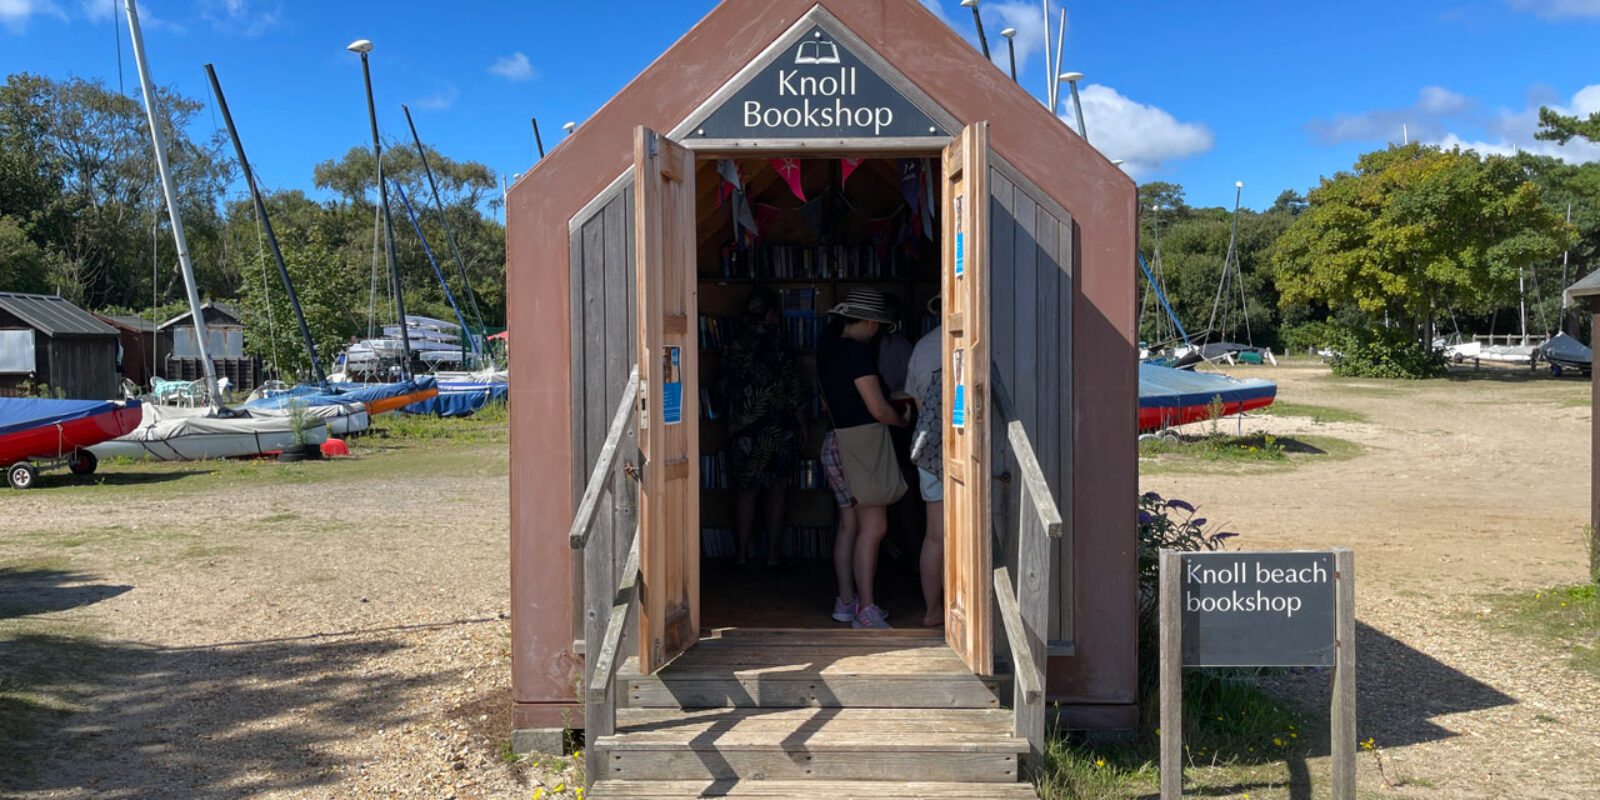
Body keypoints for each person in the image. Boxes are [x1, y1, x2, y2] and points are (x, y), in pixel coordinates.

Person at [817, 287, 910, 629]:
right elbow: (878, 408)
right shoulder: (857, 354)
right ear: (870, 322)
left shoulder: (826, 351)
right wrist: (900, 419)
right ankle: (867, 609)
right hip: (862, 444)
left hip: (834, 441)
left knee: (849, 526)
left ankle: (845, 601)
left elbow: (828, 404)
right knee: (875, 527)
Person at [717, 287, 808, 566]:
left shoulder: (732, 344)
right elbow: (794, 389)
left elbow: (720, 387)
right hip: (776, 428)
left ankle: (741, 554)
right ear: (769, 314)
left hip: (742, 430)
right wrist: (803, 425)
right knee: (777, 490)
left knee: (745, 491)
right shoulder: (781, 344)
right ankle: (772, 556)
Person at [905, 321, 944, 627]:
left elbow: (919, 406)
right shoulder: (979, 334)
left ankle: (933, 611)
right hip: (965, 453)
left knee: (935, 537)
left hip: (929, 451)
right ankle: (965, 614)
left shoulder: (923, 346)